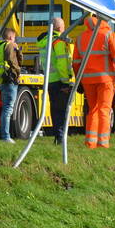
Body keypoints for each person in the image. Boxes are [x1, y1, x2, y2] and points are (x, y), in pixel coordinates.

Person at [72, 14, 115, 149]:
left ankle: (90, 142)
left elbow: (75, 63)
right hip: (105, 79)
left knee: (92, 110)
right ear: (104, 20)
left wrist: (78, 79)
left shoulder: (80, 38)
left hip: (87, 80)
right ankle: (103, 143)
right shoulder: (108, 35)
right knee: (104, 109)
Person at [37, 17, 74, 145]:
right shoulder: (58, 41)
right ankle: (61, 137)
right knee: (63, 110)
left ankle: (58, 136)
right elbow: (62, 63)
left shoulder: (45, 41)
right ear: (59, 28)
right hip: (60, 80)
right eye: (63, 27)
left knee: (55, 109)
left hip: (50, 80)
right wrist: (66, 82)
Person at [0, 28, 23, 143]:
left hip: (3, 78)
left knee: (6, 108)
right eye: (14, 37)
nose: (14, 39)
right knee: (8, 108)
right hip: (10, 79)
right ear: (11, 37)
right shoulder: (10, 45)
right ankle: (6, 136)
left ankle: (5, 135)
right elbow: (13, 61)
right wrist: (17, 73)